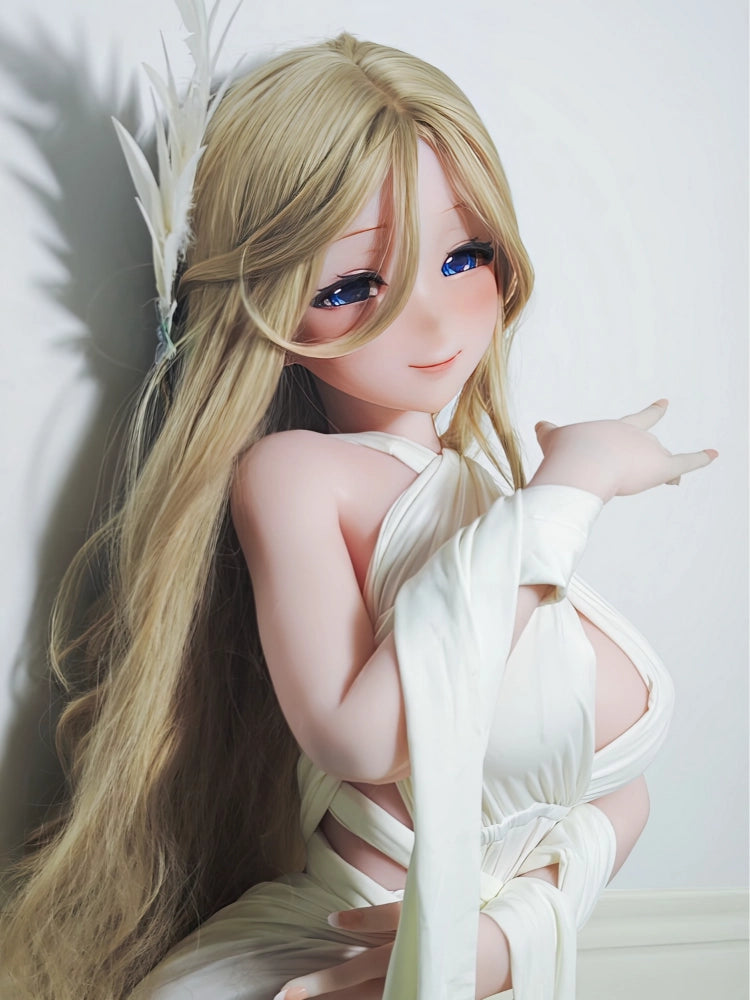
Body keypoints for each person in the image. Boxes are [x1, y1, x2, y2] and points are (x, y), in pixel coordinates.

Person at [0, 21, 716, 1000]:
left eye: (464, 257)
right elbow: (363, 734)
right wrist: (566, 495)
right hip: (312, 964)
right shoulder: (300, 476)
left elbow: (610, 798)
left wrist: (511, 934)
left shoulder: (480, 499)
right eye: (352, 285)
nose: (431, 319)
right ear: (268, 306)